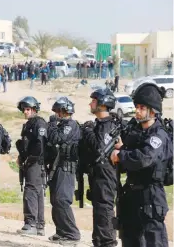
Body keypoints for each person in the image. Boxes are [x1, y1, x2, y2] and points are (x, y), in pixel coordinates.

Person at [110, 83, 172, 247]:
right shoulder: (137, 132)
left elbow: (144, 158)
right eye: (136, 106)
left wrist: (121, 155)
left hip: (150, 194)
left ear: (152, 110)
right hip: (132, 193)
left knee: (153, 241)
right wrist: (122, 150)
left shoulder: (158, 135)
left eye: (142, 107)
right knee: (131, 239)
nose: (137, 111)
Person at [81, 88, 118, 247]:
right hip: (97, 175)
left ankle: (108, 243)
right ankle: (99, 242)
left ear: (102, 104)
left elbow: (99, 148)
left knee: (105, 211)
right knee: (98, 211)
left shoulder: (108, 126)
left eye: (94, 101)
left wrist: (88, 131)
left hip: (105, 175)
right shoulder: (100, 125)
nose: (90, 103)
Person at [46, 97, 81, 244]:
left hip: (66, 167)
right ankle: (61, 231)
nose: (56, 114)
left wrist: (52, 125)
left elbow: (56, 138)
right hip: (57, 166)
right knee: (55, 200)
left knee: (62, 200)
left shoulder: (70, 125)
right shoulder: (62, 124)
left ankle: (72, 234)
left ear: (64, 111)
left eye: (58, 112)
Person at [15, 96, 47, 235]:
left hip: (35, 163)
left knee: (31, 191)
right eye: (24, 110)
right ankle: (39, 226)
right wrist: (21, 157)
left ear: (34, 109)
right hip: (30, 162)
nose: (25, 112)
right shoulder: (29, 124)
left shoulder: (39, 124)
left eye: (28, 109)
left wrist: (29, 160)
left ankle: (31, 224)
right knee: (36, 191)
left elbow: (39, 146)